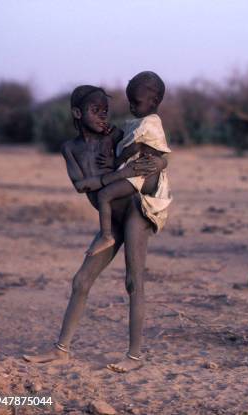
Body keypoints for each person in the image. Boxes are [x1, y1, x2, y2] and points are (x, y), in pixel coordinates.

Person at [23, 84, 168, 373]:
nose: (103, 116)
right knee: (80, 281)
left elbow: (156, 157)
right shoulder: (70, 148)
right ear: (78, 113)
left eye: (105, 110)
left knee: (133, 281)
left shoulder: (117, 135)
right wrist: (116, 175)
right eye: (95, 111)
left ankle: (134, 357)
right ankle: (60, 350)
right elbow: (80, 185)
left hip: (135, 213)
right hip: (111, 221)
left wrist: (134, 169)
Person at [86, 71, 172, 256]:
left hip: (138, 176)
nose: (132, 107)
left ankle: (106, 236)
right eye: (130, 102)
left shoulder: (148, 124)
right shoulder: (143, 122)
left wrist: (115, 160)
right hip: (136, 173)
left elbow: (134, 147)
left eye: (137, 102)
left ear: (154, 101)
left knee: (104, 195)